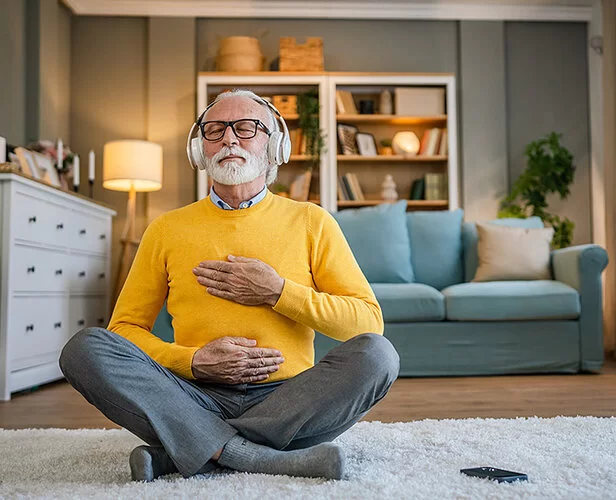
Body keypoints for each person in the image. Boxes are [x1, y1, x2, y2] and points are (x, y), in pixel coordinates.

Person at [59, 89, 399, 482]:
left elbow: (367, 323)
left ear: (276, 146)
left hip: (288, 398)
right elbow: (124, 331)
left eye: (246, 128)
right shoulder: (166, 229)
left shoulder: (312, 221)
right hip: (193, 395)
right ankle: (257, 455)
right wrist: (193, 361)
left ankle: (192, 448)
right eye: (215, 129)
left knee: (378, 355)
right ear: (199, 148)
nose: (229, 138)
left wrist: (277, 292)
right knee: (84, 348)